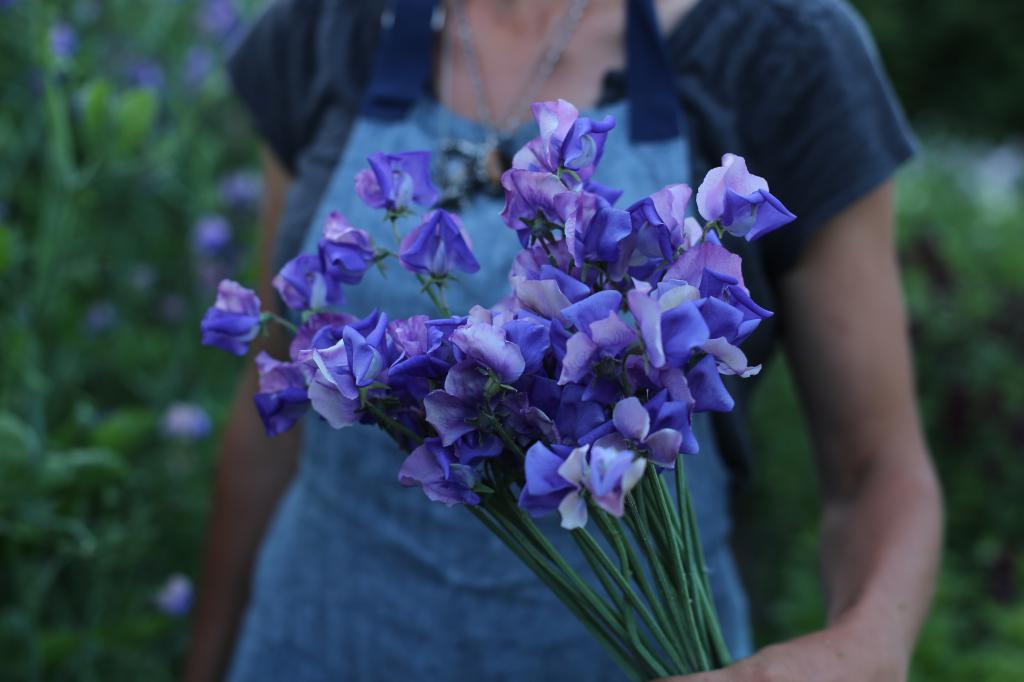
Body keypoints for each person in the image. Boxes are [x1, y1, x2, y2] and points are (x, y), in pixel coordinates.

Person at [184, 0, 944, 680]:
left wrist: (865, 649)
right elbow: (272, 406)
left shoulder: (782, 48)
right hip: (317, 646)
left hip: (640, 655)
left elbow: (875, 469)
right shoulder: (326, 27)